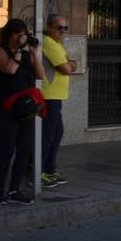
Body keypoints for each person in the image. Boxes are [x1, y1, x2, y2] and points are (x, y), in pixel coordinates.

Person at [0, 19, 45, 205]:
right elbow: (10, 69)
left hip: (24, 108)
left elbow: (40, 74)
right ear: (9, 35)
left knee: (25, 149)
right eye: (17, 34)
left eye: (23, 34)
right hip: (3, 110)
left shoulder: (25, 54)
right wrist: (18, 50)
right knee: (7, 150)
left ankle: (15, 189)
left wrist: (33, 51)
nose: (20, 37)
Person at [40, 13, 77, 187]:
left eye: (65, 28)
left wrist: (70, 64)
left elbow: (72, 64)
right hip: (49, 97)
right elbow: (67, 68)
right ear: (49, 27)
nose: (62, 31)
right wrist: (69, 65)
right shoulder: (48, 42)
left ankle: (49, 170)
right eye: (58, 27)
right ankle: (39, 173)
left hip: (56, 97)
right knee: (48, 136)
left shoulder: (57, 44)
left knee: (56, 134)